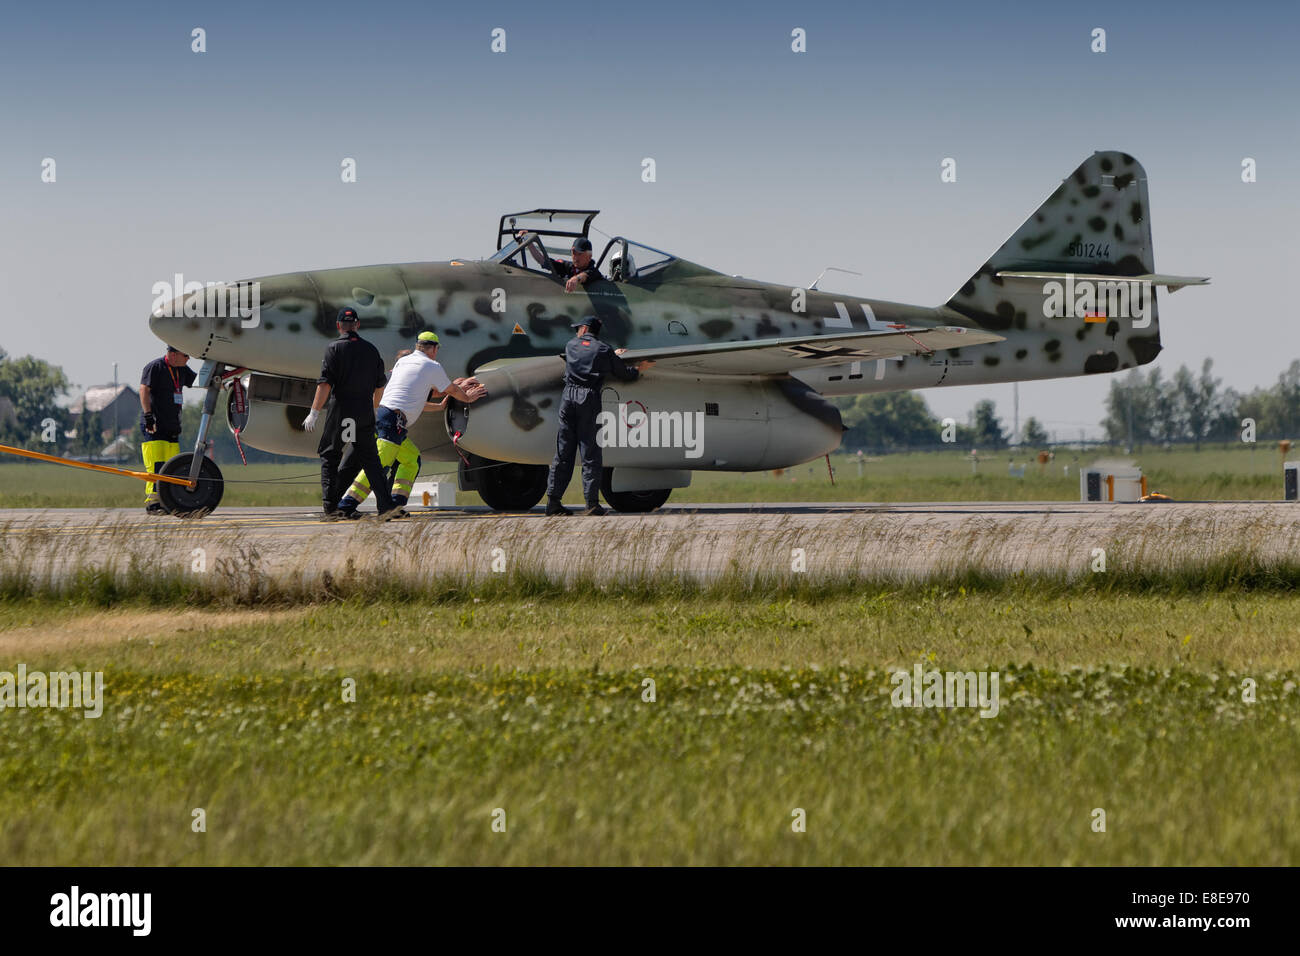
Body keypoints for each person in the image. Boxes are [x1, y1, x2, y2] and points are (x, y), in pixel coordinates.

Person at [336, 331, 487, 517]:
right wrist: (466, 397)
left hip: (385, 418)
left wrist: (454, 389)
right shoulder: (432, 365)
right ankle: (346, 506)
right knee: (379, 466)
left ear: (418, 346)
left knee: (411, 459)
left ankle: (396, 505)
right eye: (437, 349)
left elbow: (420, 391)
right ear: (433, 348)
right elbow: (447, 389)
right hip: (392, 421)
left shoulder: (403, 362)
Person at [546, 315, 652, 516]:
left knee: (563, 452)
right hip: (588, 398)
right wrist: (638, 369)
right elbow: (623, 373)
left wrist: (610, 354)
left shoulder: (570, 346)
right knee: (590, 453)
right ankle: (591, 504)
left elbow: (584, 353)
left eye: (578, 328)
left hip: (568, 398)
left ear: (584, 329)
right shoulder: (603, 349)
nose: (577, 332)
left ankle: (553, 502)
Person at [302, 308, 396, 521]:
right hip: (364, 411)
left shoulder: (334, 348)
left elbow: (325, 383)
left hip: (342, 412)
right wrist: (373, 408)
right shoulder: (371, 350)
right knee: (371, 460)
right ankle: (386, 506)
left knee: (330, 455)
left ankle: (330, 508)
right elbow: (381, 384)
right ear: (357, 325)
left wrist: (314, 413)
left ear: (338, 326)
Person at [138, 345, 195, 514]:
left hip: (172, 427)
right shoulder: (155, 367)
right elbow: (144, 389)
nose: (188, 358)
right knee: (157, 465)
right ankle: (153, 503)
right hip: (155, 426)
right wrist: (148, 416)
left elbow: (201, 381)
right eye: (186, 355)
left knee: (172, 467)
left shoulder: (182, 369)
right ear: (173, 354)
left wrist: (223, 378)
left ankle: (169, 501)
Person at [517, 233, 604, 292]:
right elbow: (542, 260)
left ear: (589, 257)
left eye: (580, 254)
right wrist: (529, 243)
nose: (576, 257)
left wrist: (575, 279)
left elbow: (586, 275)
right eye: (574, 253)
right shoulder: (568, 267)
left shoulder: (594, 272)